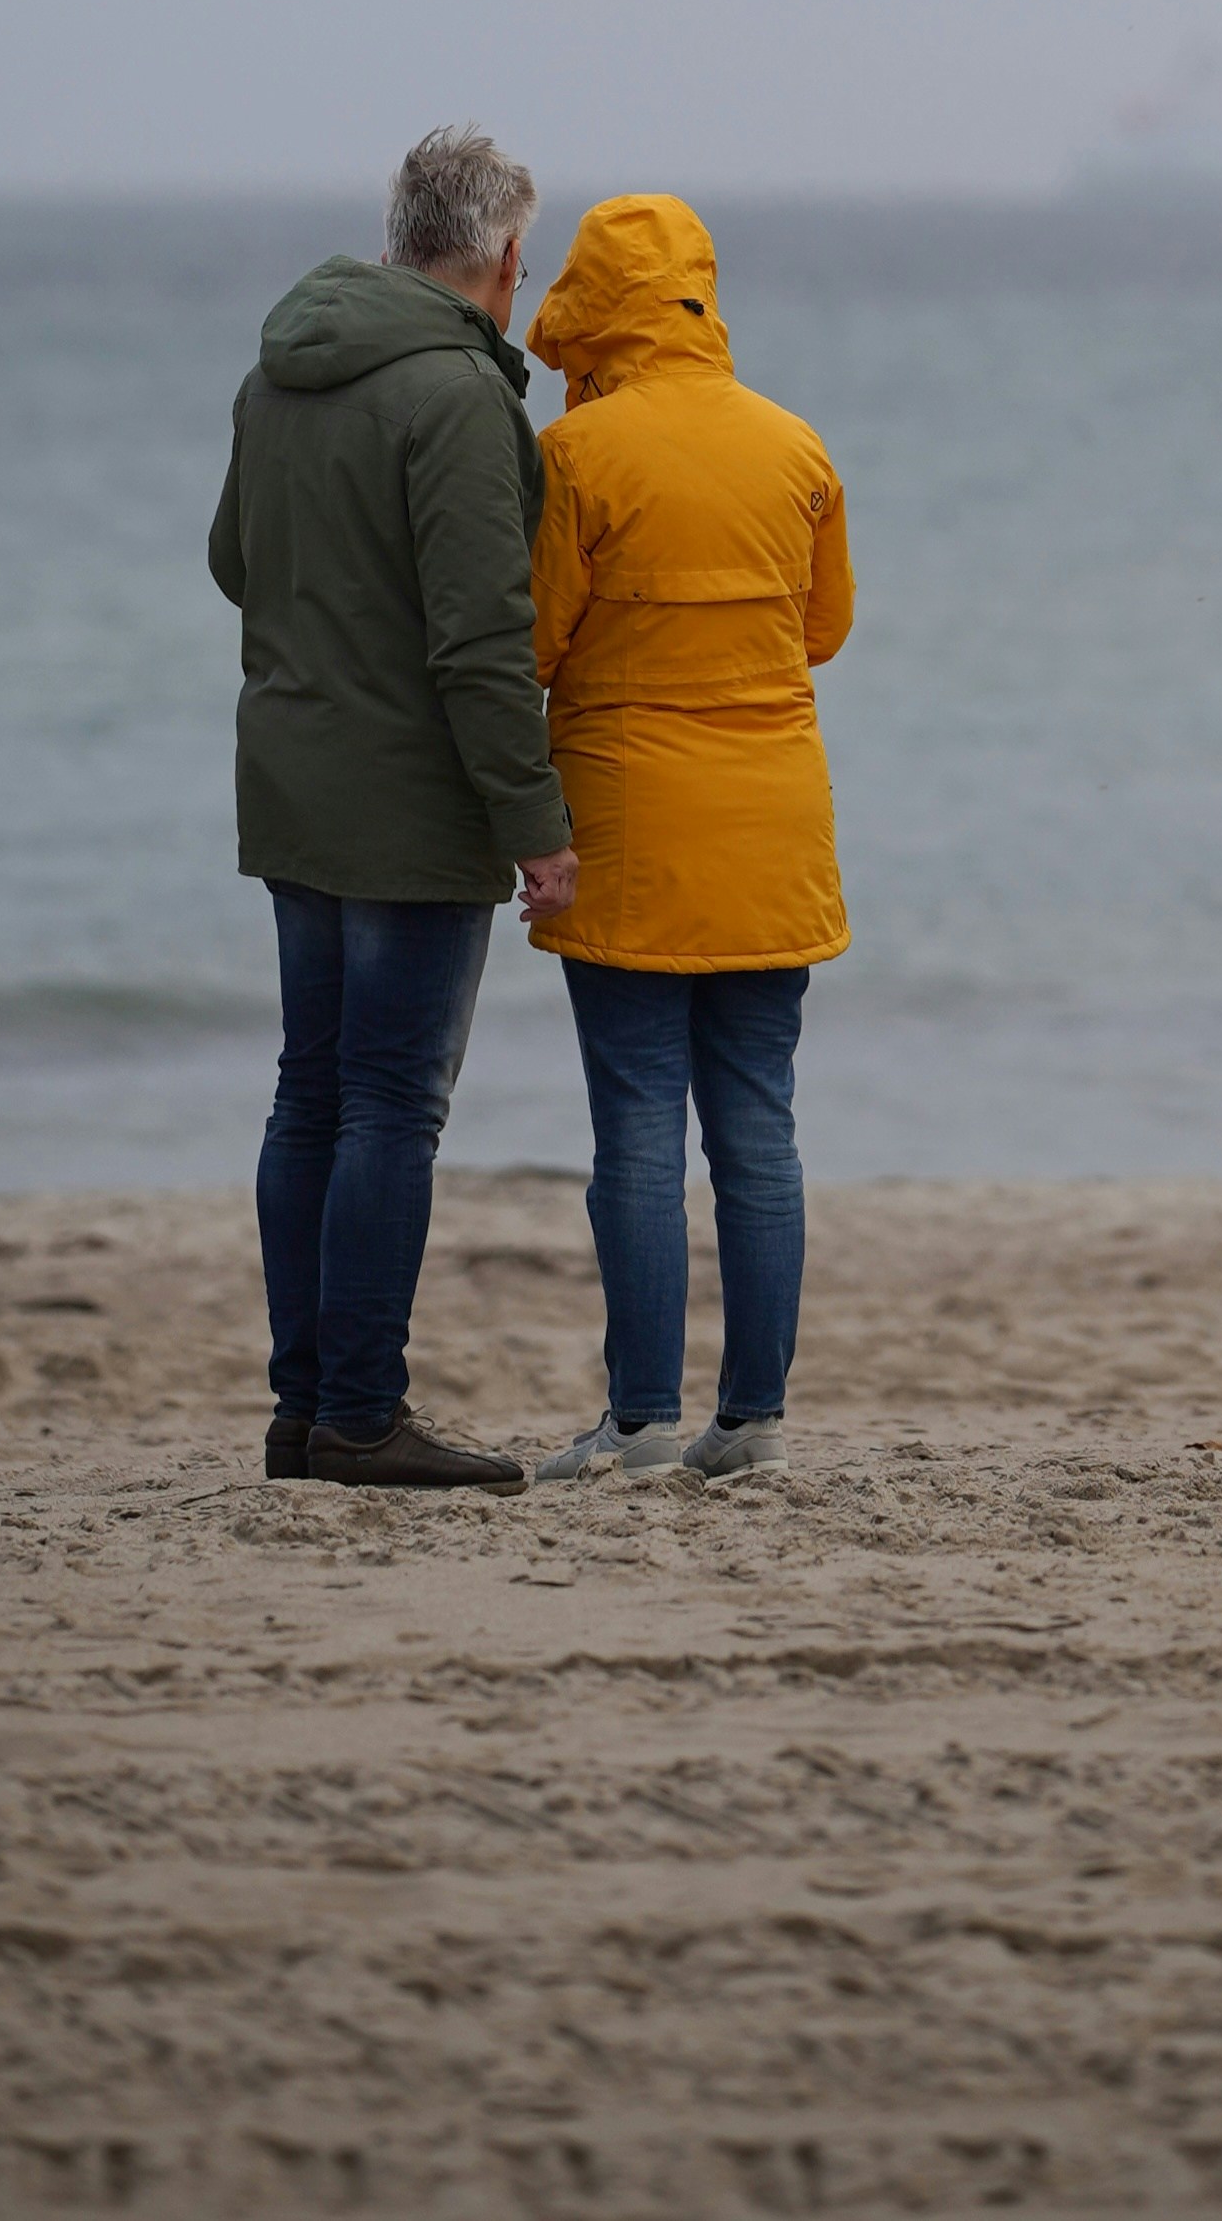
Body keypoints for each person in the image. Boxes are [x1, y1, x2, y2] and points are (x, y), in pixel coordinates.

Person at [207, 124, 579, 1490]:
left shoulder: (280, 367)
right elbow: (482, 640)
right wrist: (535, 824)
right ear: (502, 259)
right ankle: (362, 1412)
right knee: (386, 1107)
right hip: (410, 804)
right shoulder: (457, 397)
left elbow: (232, 556)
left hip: (293, 778)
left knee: (311, 1092)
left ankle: (306, 1408)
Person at [517, 193, 853, 1481]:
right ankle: (754, 1421)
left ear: (594, 311)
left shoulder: (579, 457)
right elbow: (822, 632)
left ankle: (642, 1420)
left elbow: (537, 640)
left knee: (640, 1132)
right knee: (759, 1130)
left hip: (632, 824)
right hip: (774, 818)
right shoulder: (797, 445)